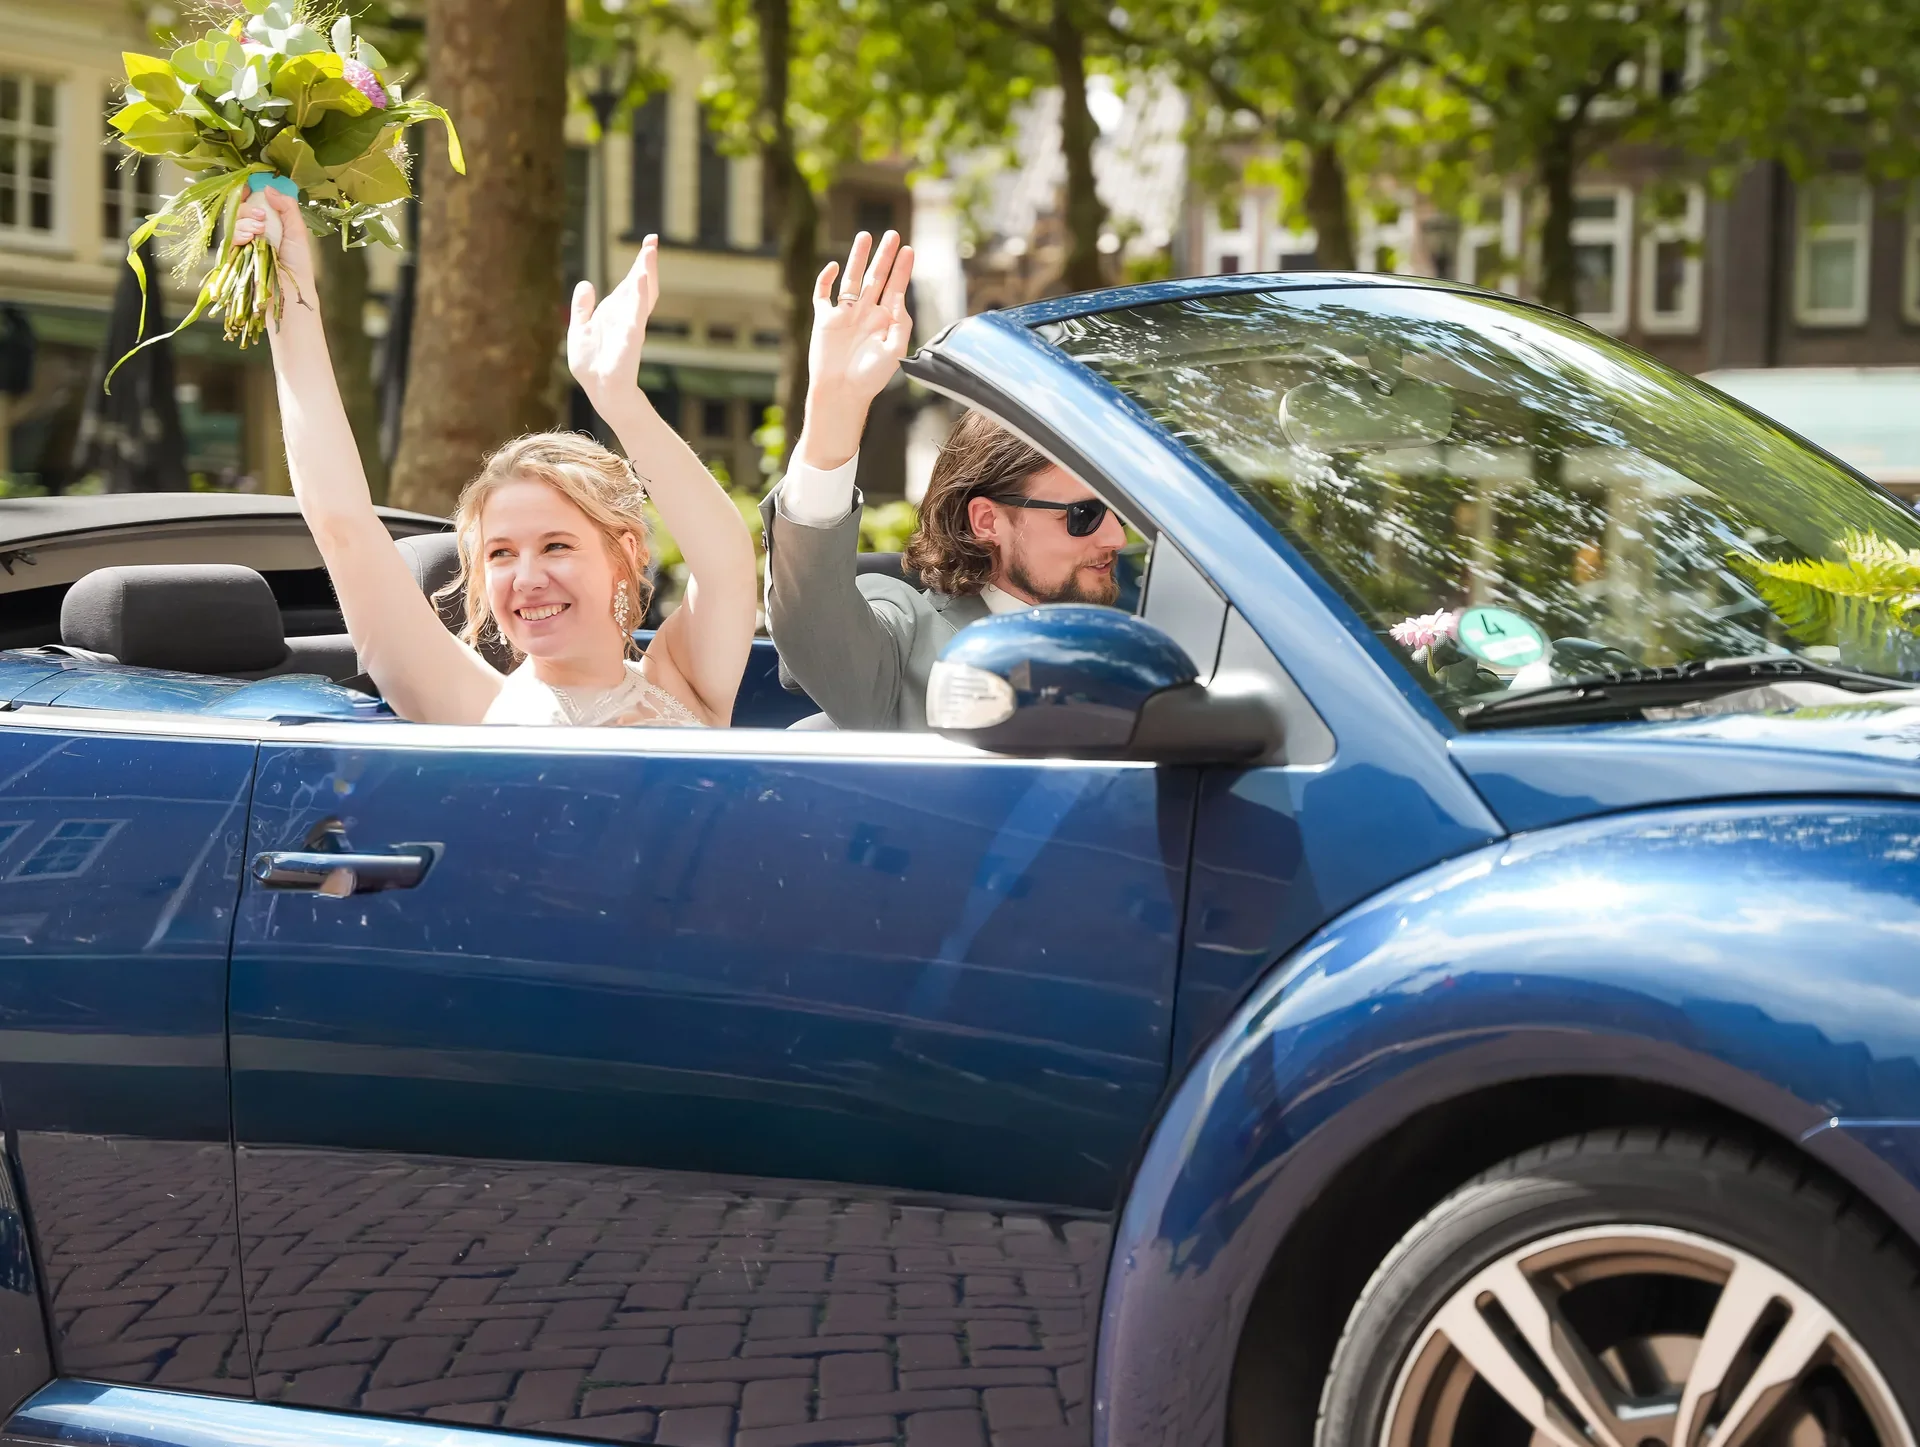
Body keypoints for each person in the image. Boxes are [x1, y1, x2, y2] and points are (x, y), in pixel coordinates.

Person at [234, 186, 757, 728]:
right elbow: (340, 523)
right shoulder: (470, 705)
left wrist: (620, 401)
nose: (527, 577)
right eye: (500, 554)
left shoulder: (681, 675)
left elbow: (726, 564)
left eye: (556, 545)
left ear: (624, 553)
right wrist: (288, 289)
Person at [763, 229, 1130, 731]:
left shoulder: (1137, 641)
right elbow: (816, 623)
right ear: (987, 521)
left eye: (1116, 510)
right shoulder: (910, 632)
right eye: (1083, 516)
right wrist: (834, 406)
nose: (1117, 537)